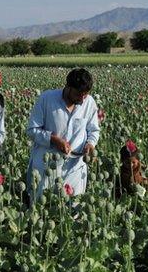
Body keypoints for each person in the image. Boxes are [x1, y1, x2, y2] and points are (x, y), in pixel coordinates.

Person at [26, 68, 100, 201]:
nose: (82, 100)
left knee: (73, 210)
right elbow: (32, 129)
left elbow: (93, 130)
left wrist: (90, 144)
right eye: (78, 94)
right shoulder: (47, 99)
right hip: (46, 167)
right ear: (68, 87)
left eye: (85, 95)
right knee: (43, 208)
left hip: (75, 168)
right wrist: (53, 139)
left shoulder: (89, 102)